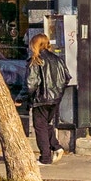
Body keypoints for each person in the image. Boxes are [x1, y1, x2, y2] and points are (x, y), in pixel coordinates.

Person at [23, 32, 71, 166]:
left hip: (41, 99)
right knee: (46, 124)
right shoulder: (58, 59)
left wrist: (21, 98)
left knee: (40, 127)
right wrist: (58, 92)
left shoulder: (35, 60)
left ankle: (45, 157)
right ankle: (56, 146)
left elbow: (30, 84)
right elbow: (67, 78)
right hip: (55, 99)